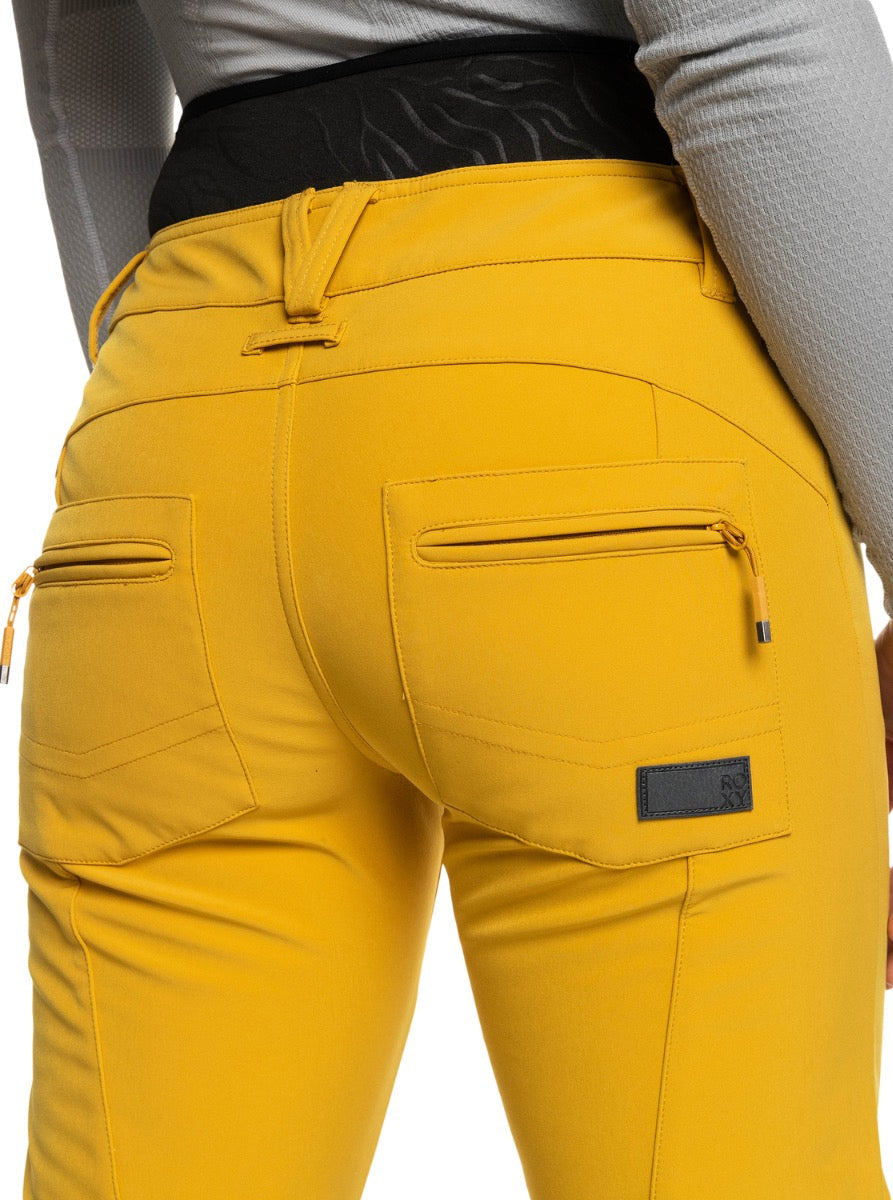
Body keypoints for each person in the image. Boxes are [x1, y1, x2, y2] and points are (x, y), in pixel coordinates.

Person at [4, 1, 892, 1196]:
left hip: (178, 429)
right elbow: (747, 37)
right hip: (594, 411)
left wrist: (170, 404)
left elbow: (76, 73)